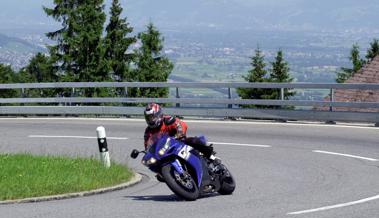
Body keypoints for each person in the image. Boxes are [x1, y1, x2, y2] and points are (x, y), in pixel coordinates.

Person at [143, 102, 217, 161]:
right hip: (164, 151)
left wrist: (180, 134)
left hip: (178, 142)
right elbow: (147, 145)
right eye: (149, 118)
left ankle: (210, 156)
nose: (151, 120)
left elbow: (181, 125)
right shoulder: (148, 131)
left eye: (152, 117)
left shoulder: (168, 120)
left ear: (158, 115)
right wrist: (148, 152)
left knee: (192, 141)